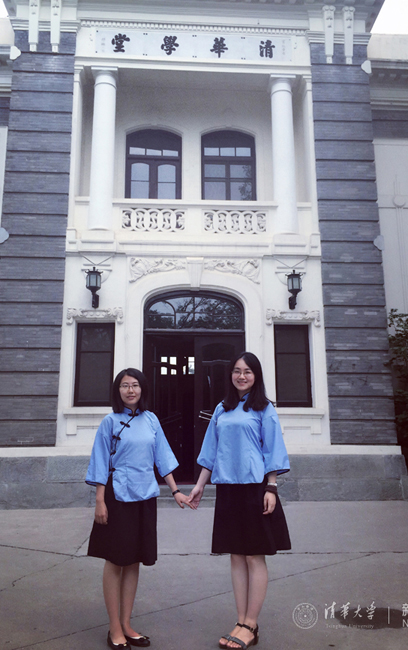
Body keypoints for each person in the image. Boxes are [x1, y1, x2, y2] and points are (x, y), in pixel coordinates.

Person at [188, 352, 291, 650]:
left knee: (254, 556)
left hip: (255, 488)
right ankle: (241, 619)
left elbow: (273, 449)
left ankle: (251, 624)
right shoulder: (222, 408)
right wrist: (199, 486)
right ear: (230, 375)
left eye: (247, 371)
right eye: (236, 371)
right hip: (228, 490)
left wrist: (271, 487)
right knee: (236, 555)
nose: (241, 376)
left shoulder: (264, 409)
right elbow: (210, 451)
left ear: (256, 376)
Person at [86, 368, 192, 650]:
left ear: (142, 389)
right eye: (124, 385)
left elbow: (162, 456)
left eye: (135, 385)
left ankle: (126, 623)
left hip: (145, 496)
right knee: (115, 560)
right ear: (117, 390)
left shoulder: (151, 420)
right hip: (117, 495)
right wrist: (100, 500)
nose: (130, 390)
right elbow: (100, 461)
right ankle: (114, 628)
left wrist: (176, 491)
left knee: (133, 561)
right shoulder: (110, 422)